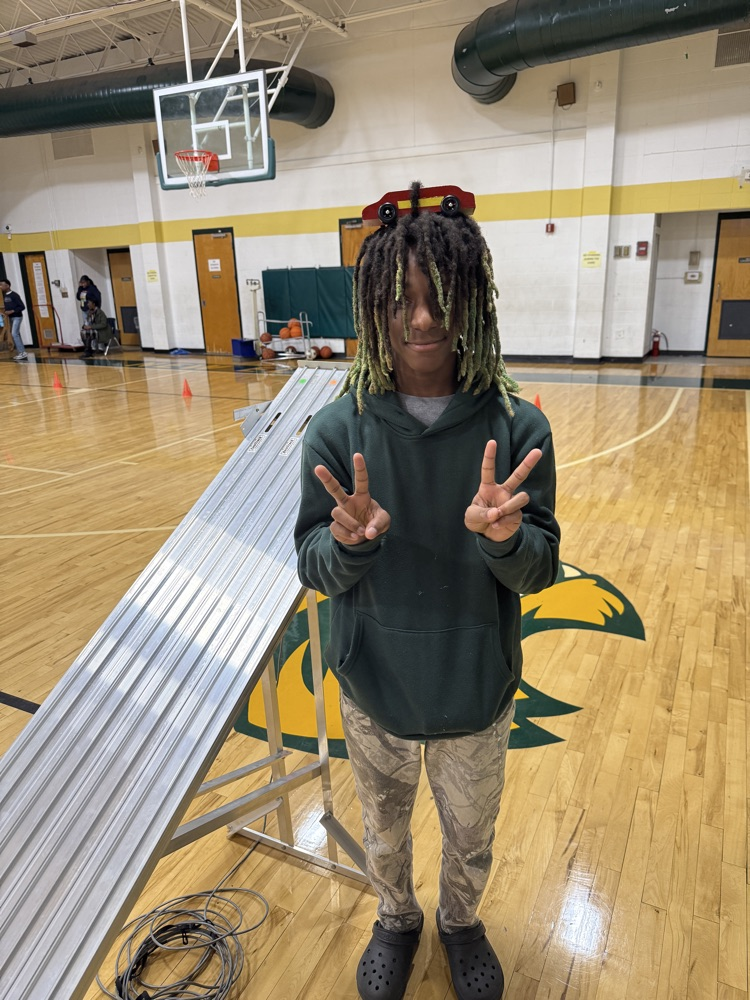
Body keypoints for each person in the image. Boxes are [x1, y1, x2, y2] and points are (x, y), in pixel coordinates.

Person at [295, 182, 560, 1000]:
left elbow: (543, 566)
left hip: (475, 687)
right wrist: (344, 548)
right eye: (401, 300)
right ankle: (397, 917)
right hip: (375, 682)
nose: (420, 320)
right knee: (382, 831)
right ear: (374, 305)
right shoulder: (338, 429)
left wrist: (508, 541)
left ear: (472, 298)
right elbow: (310, 562)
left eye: (439, 297)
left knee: (471, 834)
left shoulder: (517, 428)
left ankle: (458, 921)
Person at [1, 279, 28, 361]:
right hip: (11, 318)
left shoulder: (14, 295)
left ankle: (22, 353)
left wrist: (12, 311)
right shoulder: (4, 295)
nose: (0, 286)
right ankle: (22, 352)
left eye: (2, 285)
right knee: (16, 334)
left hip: (17, 317)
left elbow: (22, 307)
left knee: (14, 334)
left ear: (7, 286)